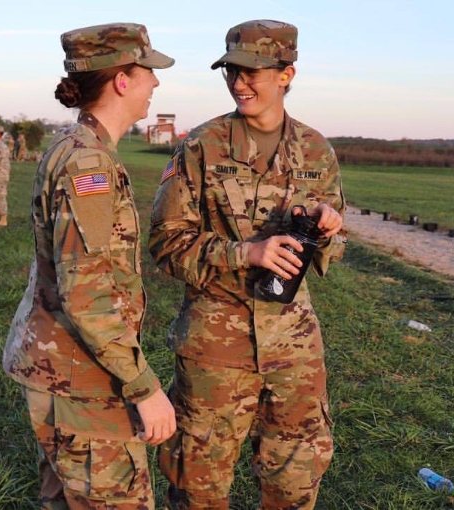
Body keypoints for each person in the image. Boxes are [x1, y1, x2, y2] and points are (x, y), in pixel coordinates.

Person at [149, 20, 347, 509]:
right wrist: (246, 253)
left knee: (295, 482)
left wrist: (326, 231)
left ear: (287, 74)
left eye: (252, 71)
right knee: (197, 486)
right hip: (215, 350)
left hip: (294, 351)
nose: (239, 82)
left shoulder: (316, 150)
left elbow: (332, 251)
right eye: (231, 71)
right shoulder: (202, 145)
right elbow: (165, 242)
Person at [2, 22, 175, 509]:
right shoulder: (88, 163)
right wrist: (144, 388)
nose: (155, 84)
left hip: (60, 371)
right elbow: (86, 294)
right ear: (122, 80)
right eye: (148, 73)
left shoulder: (72, 145)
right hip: (83, 381)